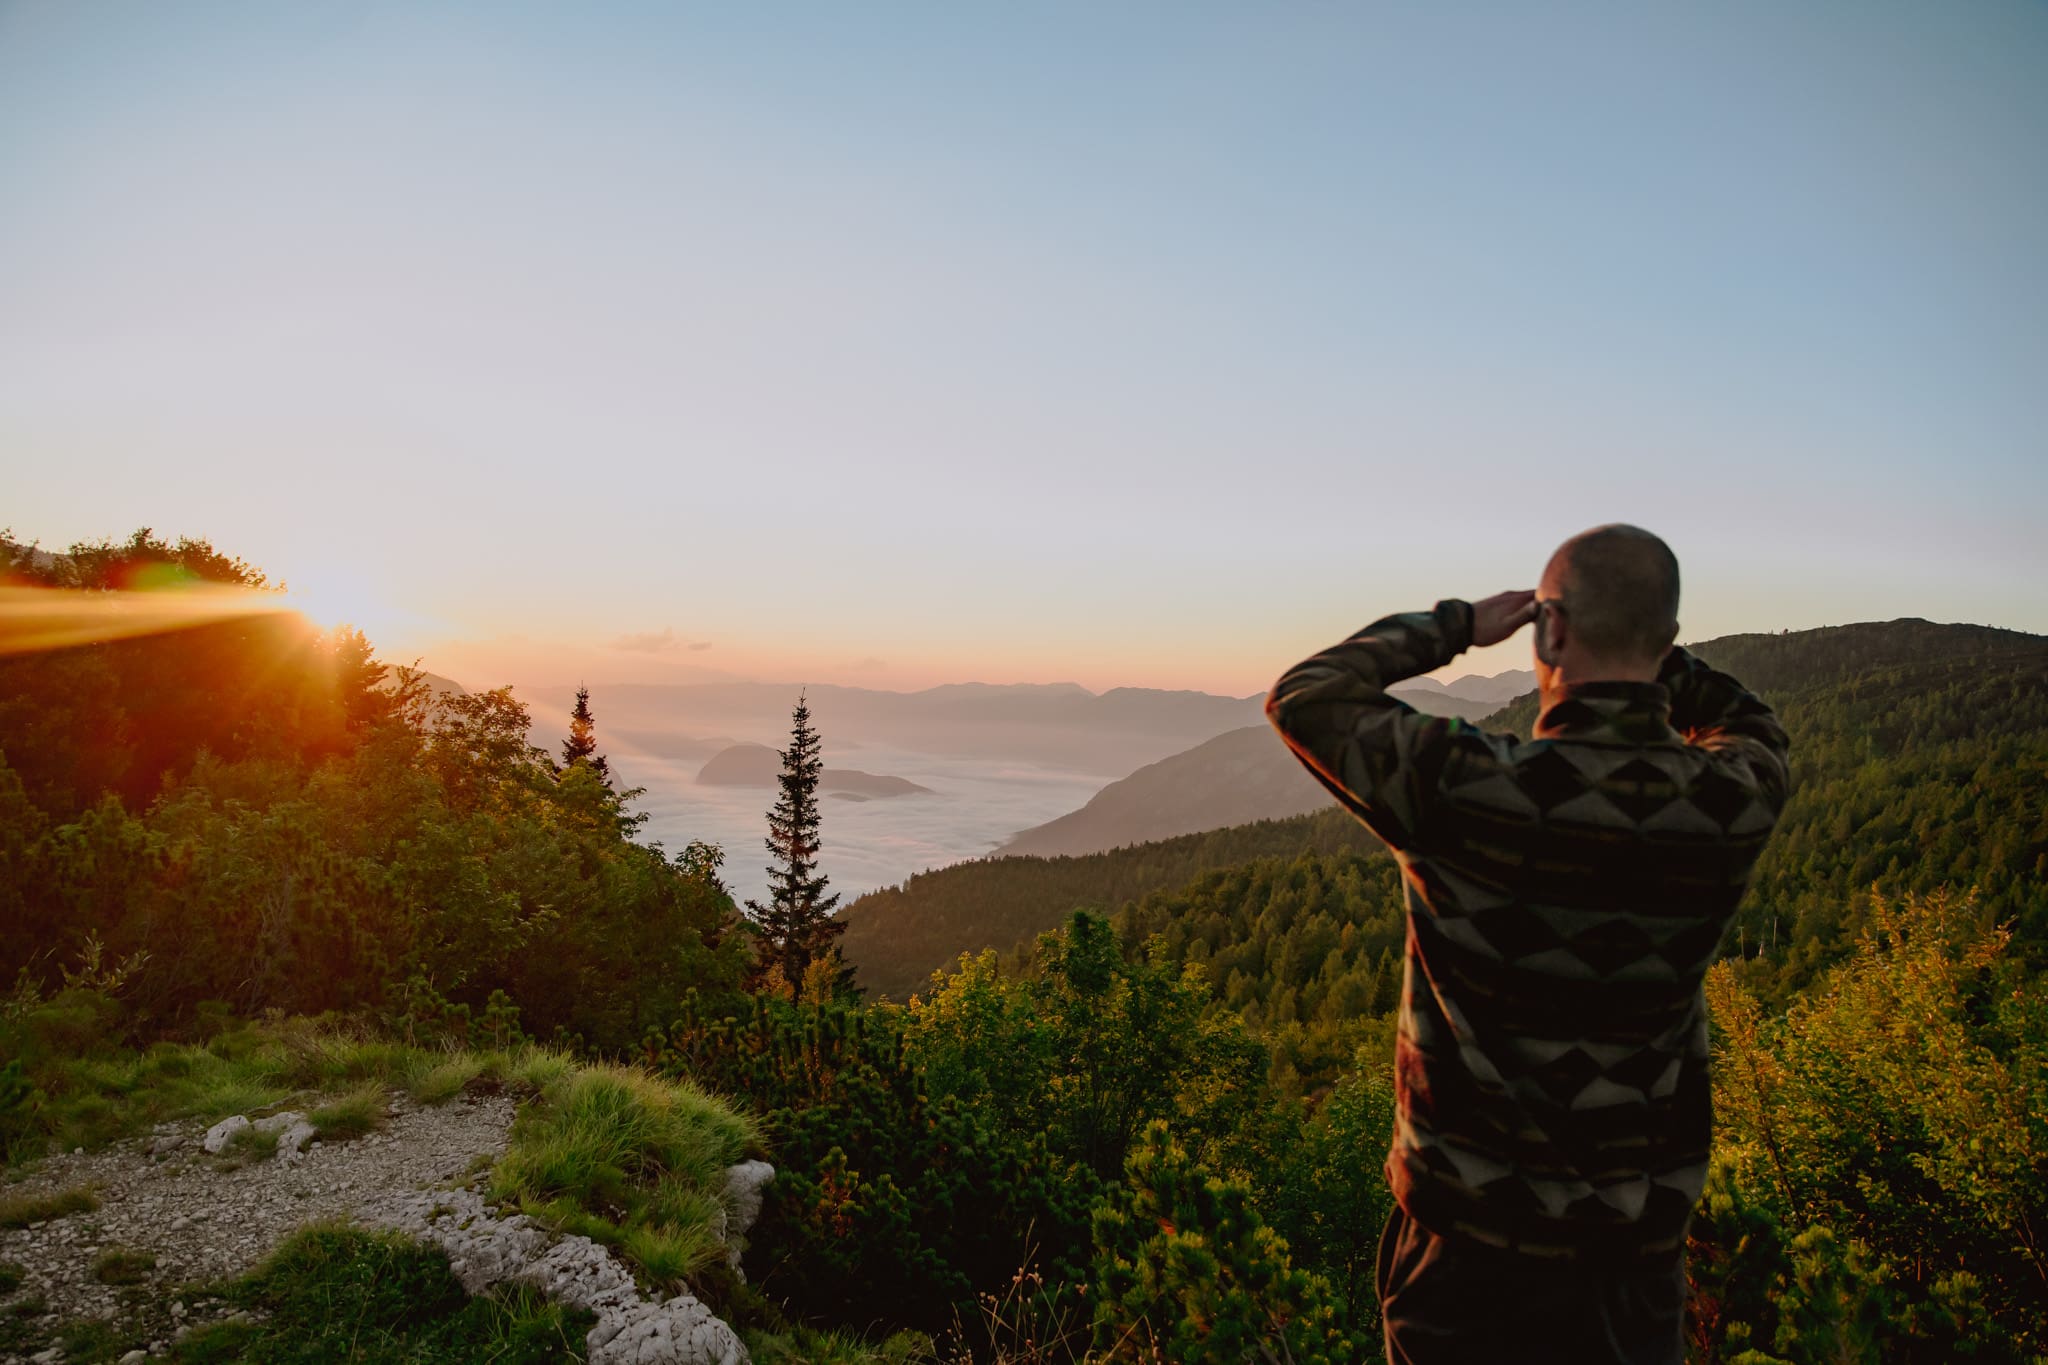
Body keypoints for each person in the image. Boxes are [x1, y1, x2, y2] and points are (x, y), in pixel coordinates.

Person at [1266, 524, 1789, 1365]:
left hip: (1467, 1257)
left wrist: (1459, 625)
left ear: (1548, 630)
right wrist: (1650, 646)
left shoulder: (1474, 788)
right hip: (1631, 1264)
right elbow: (1752, 721)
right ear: (1666, 643)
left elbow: (1308, 695)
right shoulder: (1728, 804)